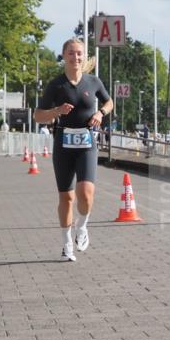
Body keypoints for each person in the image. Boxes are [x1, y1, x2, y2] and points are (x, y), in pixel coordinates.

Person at [34, 38, 113, 261]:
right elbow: (38, 115)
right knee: (67, 198)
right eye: (71, 53)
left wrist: (100, 114)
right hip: (63, 145)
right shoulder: (56, 85)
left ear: (84, 56)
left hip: (86, 144)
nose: (75, 57)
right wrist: (57, 110)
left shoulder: (93, 82)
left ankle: (83, 227)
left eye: (79, 53)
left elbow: (109, 102)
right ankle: (67, 244)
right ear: (64, 56)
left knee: (86, 194)